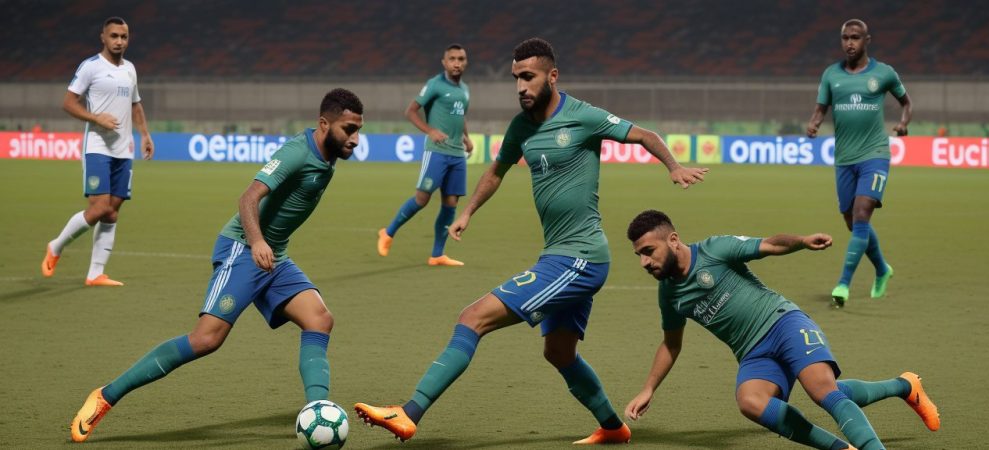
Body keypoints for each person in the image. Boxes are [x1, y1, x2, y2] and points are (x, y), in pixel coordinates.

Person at [354, 38, 707, 445]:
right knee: (559, 353)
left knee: (472, 318)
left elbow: (643, 135)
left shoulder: (582, 116)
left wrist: (673, 166)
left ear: (552, 76)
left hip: (579, 259)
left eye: (528, 77)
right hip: (562, 255)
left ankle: (408, 412)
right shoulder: (521, 126)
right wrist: (468, 212)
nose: (520, 86)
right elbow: (496, 170)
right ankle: (613, 427)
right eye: (515, 78)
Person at [69, 89, 364, 443]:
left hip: (274, 256)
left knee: (320, 318)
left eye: (358, 130)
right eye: (348, 129)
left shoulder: (329, 153)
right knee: (206, 339)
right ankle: (105, 396)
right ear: (323, 124)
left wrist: (266, 246)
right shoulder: (298, 152)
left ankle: (318, 408)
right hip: (242, 249)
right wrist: (255, 241)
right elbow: (248, 197)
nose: (355, 139)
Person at [624, 209, 939, 450]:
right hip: (752, 353)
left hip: (782, 322)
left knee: (823, 391)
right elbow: (671, 344)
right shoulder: (669, 295)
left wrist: (802, 242)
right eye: (639, 255)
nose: (644, 262)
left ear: (673, 240)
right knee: (751, 401)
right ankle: (867, 422)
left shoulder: (714, 250)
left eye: (649, 251)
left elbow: (770, 245)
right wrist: (648, 388)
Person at [41, 16, 154, 286]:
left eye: (123, 37)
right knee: (99, 208)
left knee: (112, 212)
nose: (119, 41)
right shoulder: (91, 67)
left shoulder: (130, 69)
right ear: (103, 37)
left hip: (123, 150)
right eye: (114, 36)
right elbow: (68, 103)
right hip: (98, 148)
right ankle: (55, 246)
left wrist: (145, 134)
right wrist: (96, 118)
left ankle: (95, 274)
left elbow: (135, 105)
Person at [806, 19, 912, 307]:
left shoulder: (884, 73)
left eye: (855, 37)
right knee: (853, 222)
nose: (849, 43)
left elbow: (906, 103)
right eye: (845, 38)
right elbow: (820, 109)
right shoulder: (831, 75)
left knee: (862, 214)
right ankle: (882, 269)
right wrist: (814, 125)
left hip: (875, 154)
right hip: (844, 159)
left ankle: (843, 285)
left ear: (867, 40)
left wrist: (903, 124)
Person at [377, 44, 473, 266]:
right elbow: (410, 111)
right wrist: (430, 130)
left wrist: (466, 137)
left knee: (450, 203)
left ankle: (437, 254)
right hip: (437, 152)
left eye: (461, 59)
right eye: (452, 59)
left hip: (457, 154)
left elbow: (460, 116)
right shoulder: (435, 85)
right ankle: (388, 233)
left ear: (465, 62)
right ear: (444, 62)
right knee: (422, 199)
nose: (457, 63)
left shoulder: (465, 89)